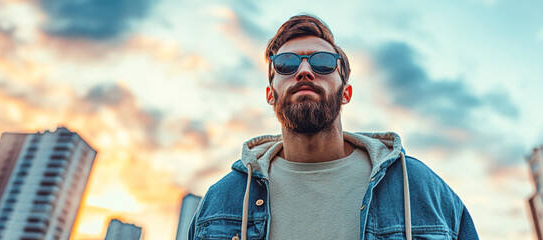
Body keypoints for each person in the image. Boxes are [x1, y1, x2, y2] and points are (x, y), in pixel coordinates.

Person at [188, 14, 478, 240]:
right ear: (270, 94)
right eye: (286, 64)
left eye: (323, 63)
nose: (304, 71)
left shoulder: (419, 187)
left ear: (346, 93)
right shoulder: (222, 202)